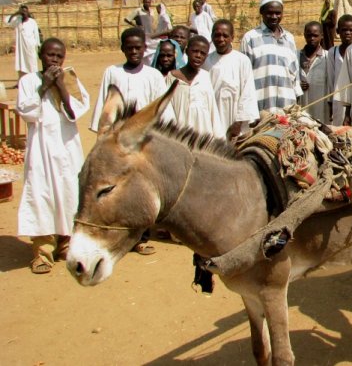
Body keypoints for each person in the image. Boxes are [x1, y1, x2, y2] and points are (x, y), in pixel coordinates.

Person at [90, 27, 172, 256]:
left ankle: (142, 236)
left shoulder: (153, 75)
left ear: (145, 49)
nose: (134, 52)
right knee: (119, 188)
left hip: (144, 141)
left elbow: (162, 110)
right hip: (118, 144)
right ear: (122, 49)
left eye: (138, 48)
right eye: (129, 48)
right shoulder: (112, 73)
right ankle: (119, 234)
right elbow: (105, 108)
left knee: (142, 187)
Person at [17, 37, 90, 274]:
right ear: (41, 55)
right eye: (50, 55)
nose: (55, 60)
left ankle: (66, 245)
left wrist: (60, 86)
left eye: (59, 56)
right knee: (41, 195)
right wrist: (44, 87)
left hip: (67, 147)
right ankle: (43, 251)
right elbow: (26, 111)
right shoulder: (29, 81)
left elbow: (75, 111)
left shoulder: (69, 79)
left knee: (69, 194)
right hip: (41, 150)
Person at [240, 0, 303, 113]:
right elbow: (244, 77)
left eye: (278, 13)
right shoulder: (250, 38)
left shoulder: (289, 38)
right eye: (270, 13)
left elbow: (295, 75)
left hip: (287, 108)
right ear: (261, 12)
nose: (274, 17)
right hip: (261, 108)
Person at [204, 20, 259, 140]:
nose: (221, 39)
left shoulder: (242, 60)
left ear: (232, 37)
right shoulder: (206, 61)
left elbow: (247, 93)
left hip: (234, 118)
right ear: (212, 36)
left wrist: (238, 123)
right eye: (217, 35)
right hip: (212, 116)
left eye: (225, 35)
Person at [165, 36, 225, 139]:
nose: (198, 56)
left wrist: (219, 139)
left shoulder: (205, 77)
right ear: (187, 51)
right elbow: (167, 110)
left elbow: (212, 110)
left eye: (203, 53)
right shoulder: (172, 78)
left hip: (203, 136)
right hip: (180, 135)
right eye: (195, 51)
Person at [326, 14, 352, 125]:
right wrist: (330, 103)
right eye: (344, 30)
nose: (347, 33)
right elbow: (331, 79)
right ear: (338, 31)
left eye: (351, 30)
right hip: (338, 101)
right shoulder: (332, 52)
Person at [298, 21, 329, 122]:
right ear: (304, 35)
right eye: (309, 35)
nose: (312, 38)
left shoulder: (327, 57)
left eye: (315, 35)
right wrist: (297, 85)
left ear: (322, 36)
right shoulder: (296, 55)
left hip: (321, 107)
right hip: (300, 105)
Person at [5, 4, 40, 81]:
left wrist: (37, 45)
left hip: (30, 47)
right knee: (21, 64)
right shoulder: (17, 21)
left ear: (28, 12)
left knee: (32, 63)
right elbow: (8, 22)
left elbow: (36, 35)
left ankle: (34, 80)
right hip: (21, 48)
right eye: (22, 11)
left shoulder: (32, 22)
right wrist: (15, 13)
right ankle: (21, 81)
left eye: (25, 11)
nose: (24, 12)